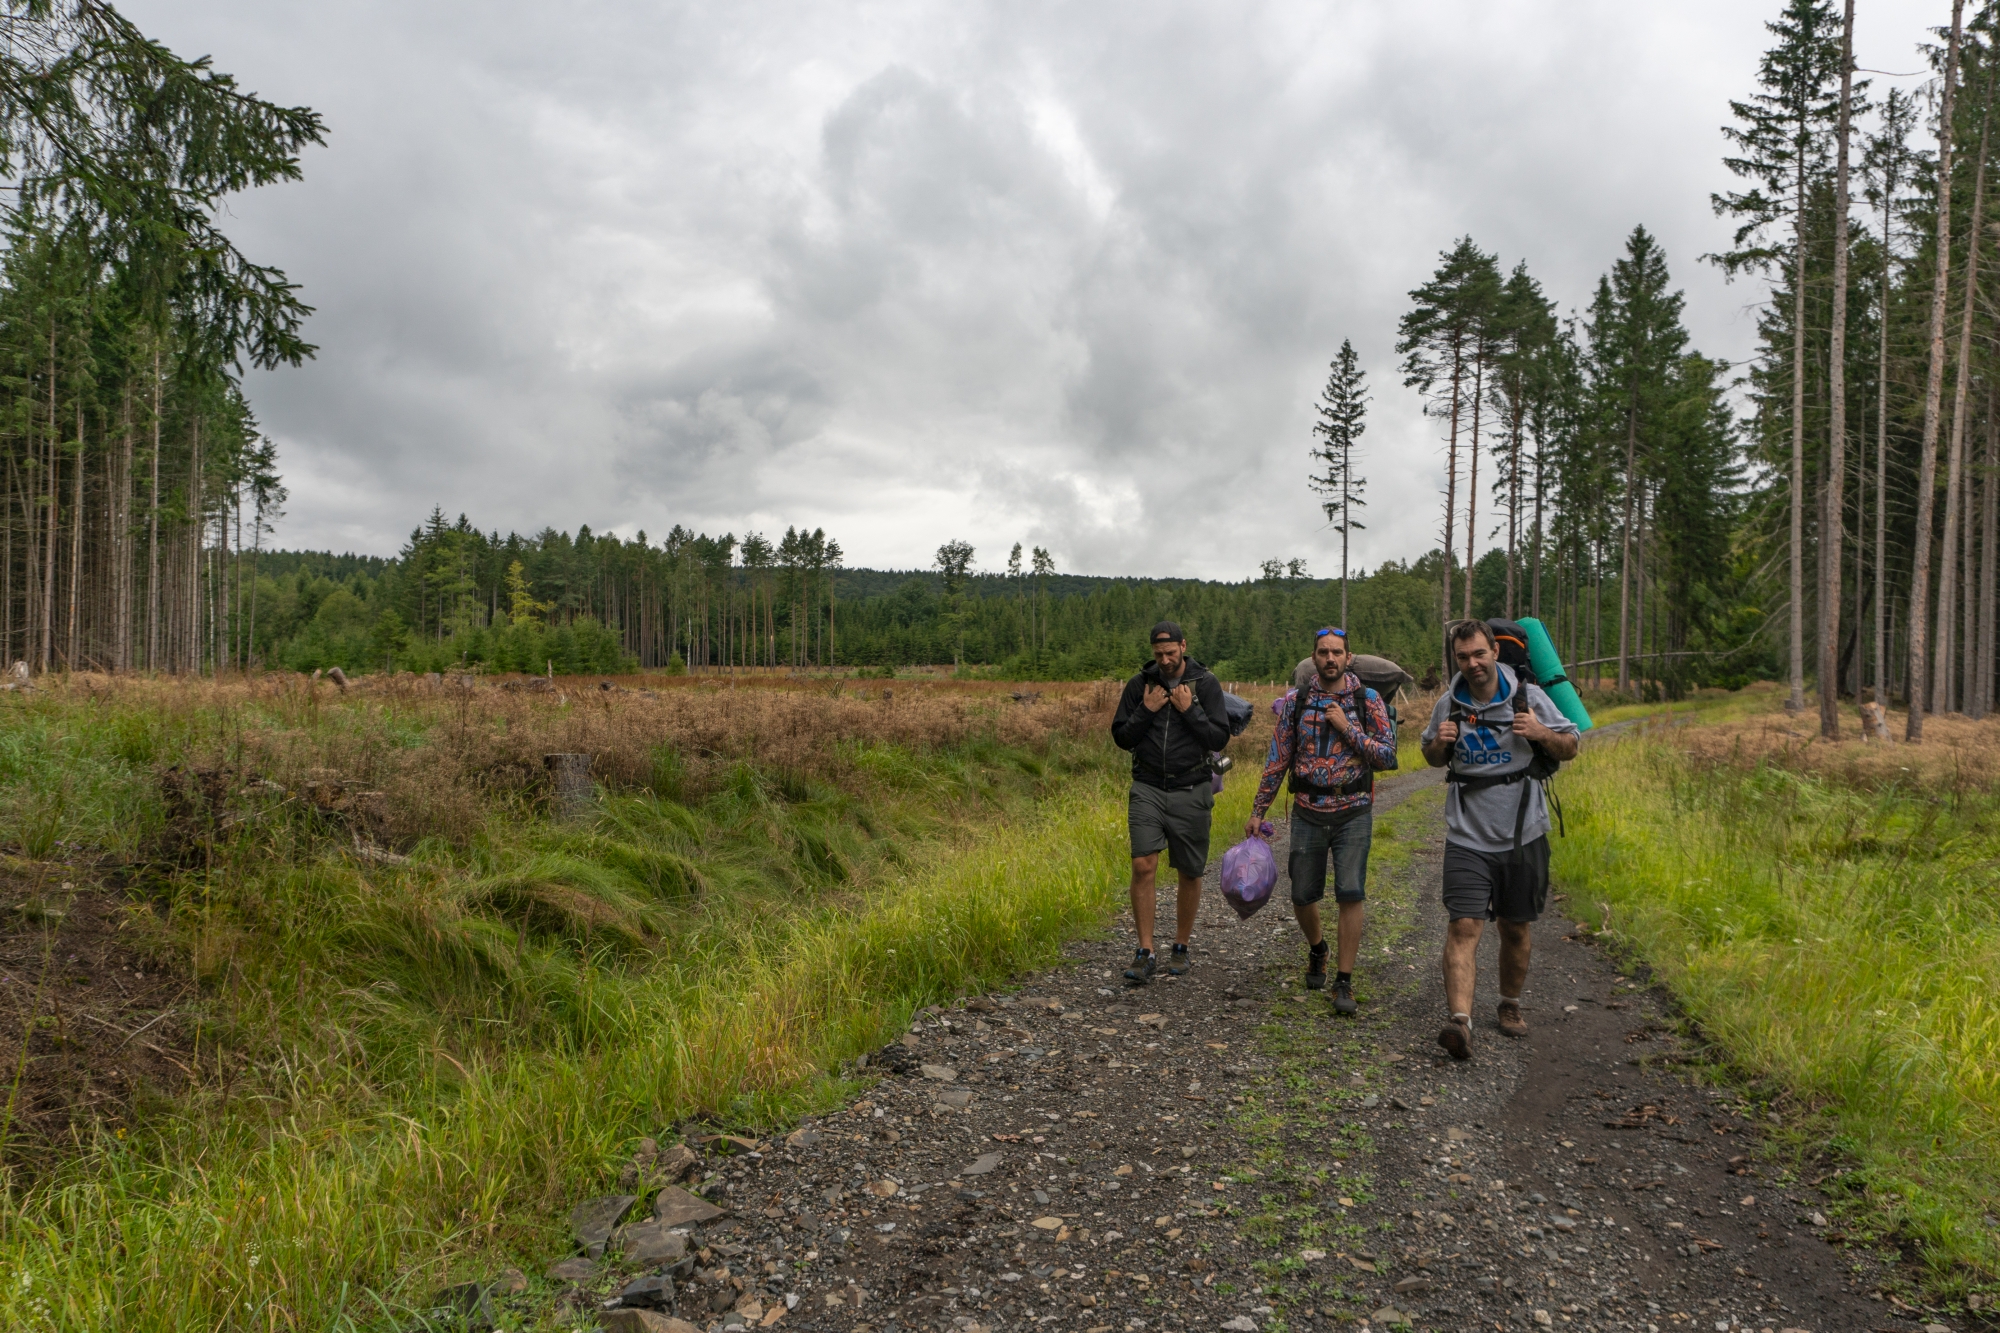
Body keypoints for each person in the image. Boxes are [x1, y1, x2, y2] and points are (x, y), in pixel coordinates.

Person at [1419, 619, 1580, 1060]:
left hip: (1523, 832)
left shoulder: (1529, 697)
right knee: (1464, 925)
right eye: (1463, 657)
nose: (1472, 664)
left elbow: (1571, 744)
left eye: (1479, 654)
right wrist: (1440, 743)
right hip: (1467, 833)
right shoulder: (1449, 703)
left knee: (1515, 928)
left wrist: (1541, 732)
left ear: (1494, 651)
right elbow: (1431, 757)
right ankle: (1460, 1022)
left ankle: (1509, 1005)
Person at [1248, 627, 1397, 1013]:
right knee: (1301, 893)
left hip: (1354, 810)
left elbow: (1387, 756)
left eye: (1337, 652)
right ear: (1314, 658)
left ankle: (1343, 982)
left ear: (1349, 658)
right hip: (1307, 812)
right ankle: (1319, 949)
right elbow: (1277, 759)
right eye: (1323, 652)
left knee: (1351, 891)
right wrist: (1257, 811)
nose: (1330, 658)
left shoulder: (1369, 701)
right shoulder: (1296, 702)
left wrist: (1348, 729)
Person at [1110, 621, 1231, 984]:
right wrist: (1146, 710)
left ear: (1183, 646)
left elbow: (1218, 735)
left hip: (1192, 788)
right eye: (1158, 654)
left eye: (1170, 652)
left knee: (1189, 871)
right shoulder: (1139, 685)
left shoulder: (1205, 684)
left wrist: (1189, 708)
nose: (1164, 660)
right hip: (1146, 786)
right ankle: (1145, 951)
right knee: (1143, 865)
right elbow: (1120, 736)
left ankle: (1181, 945)